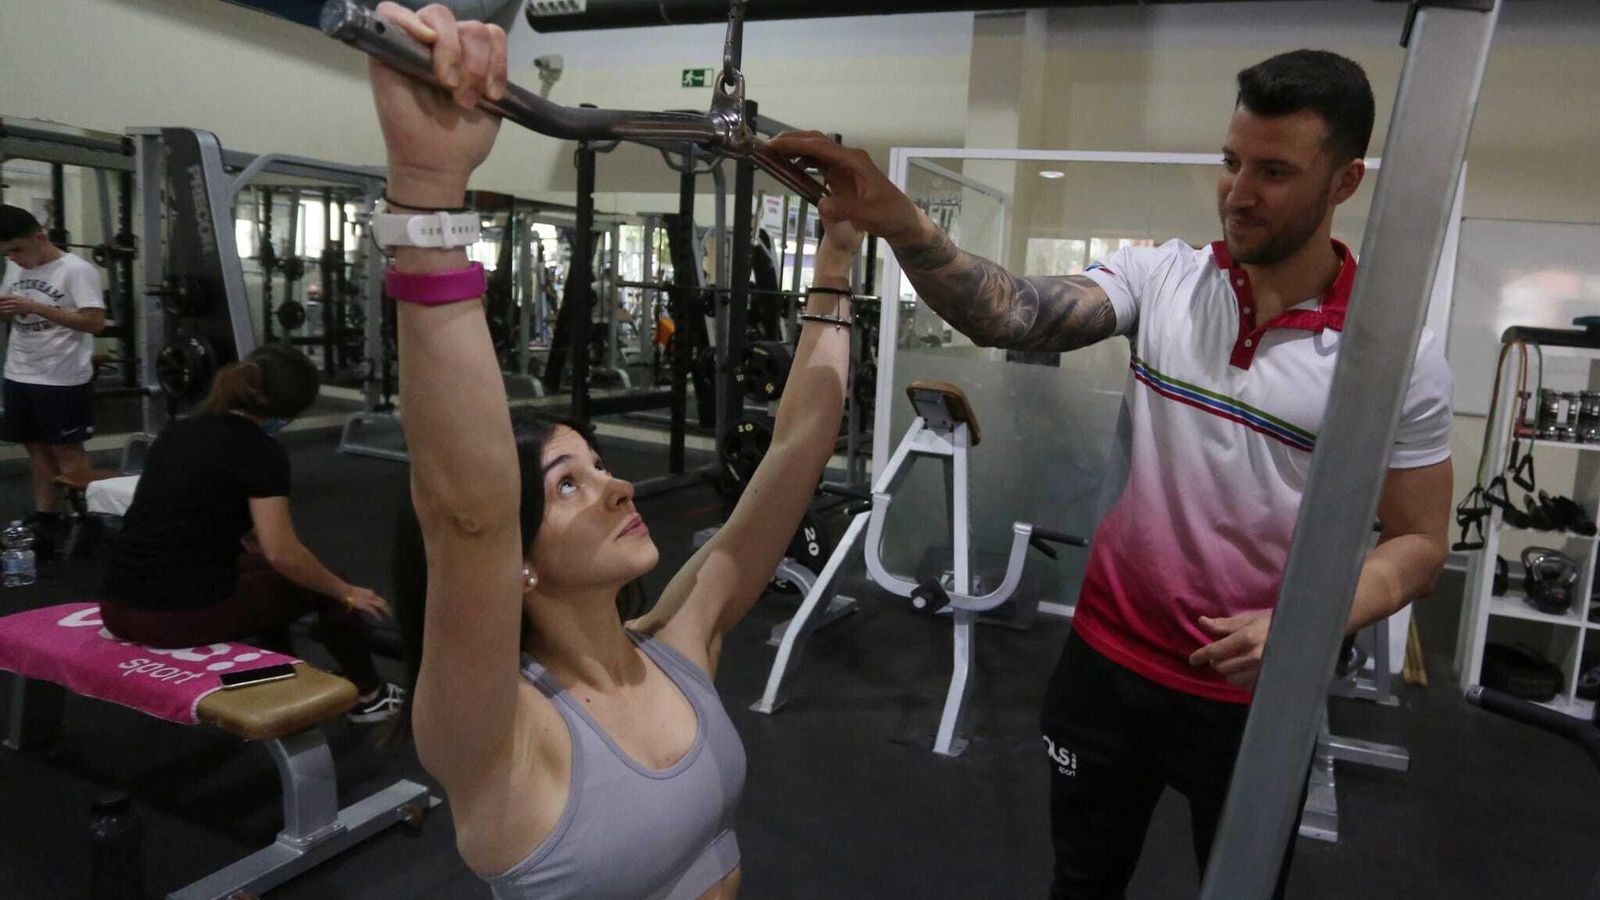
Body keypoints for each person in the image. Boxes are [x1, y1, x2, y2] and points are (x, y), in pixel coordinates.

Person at [772, 49, 1453, 898]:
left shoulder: (1393, 355)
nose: (1238, 193)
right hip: (1107, 667)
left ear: (1344, 181)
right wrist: (901, 221)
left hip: (1254, 697)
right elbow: (1013, 313)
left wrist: (1309, 627)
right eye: (1232, 161)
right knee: (1081, 885)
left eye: (1274, 172)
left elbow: (1420, 542)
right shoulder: (1164, 279)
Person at [367, 5, 857, 898]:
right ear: (515, 559)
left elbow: (796, 449)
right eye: (568, 485)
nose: (617, 486)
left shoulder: (680, 644)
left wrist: (835, 264)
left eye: (597, 466)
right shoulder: (497, 738)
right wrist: (428, 188)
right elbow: (467, 514)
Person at [100, 344, 404, 723]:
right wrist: (347, 592)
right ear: (286, 410)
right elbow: (282, 553)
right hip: (167, 620)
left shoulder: (178, 432)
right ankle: (369, 695)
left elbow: (197, 512)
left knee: (276, 578)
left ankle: (283, 674)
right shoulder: (261, 451)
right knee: (328, 587)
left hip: (115, 604)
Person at [0, 204, 107, 525]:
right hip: (19, 373)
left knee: (66, 452)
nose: (14, 258)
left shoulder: (76, 270)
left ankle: (84, 522)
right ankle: (45, 518)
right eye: (6, 253)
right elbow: (13, 313)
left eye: (17, 249)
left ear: (40, 238)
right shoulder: (15, 267)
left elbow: (95, 322)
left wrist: (36, 307)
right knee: (36, 450)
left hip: (61, 378)